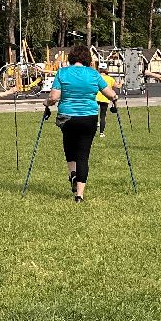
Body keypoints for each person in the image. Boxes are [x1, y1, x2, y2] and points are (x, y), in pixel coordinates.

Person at [45, 44, 120, 202]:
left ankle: (72, 174)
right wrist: (115, 98)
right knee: (83, 155)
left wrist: (47, 104)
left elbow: (53, 97)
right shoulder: (93, 74)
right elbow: (109, 93)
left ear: (72, 57)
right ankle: (79, 195)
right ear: (87, 58)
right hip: (88, 117)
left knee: (69, 146)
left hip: (67, 117)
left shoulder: (63, 72)